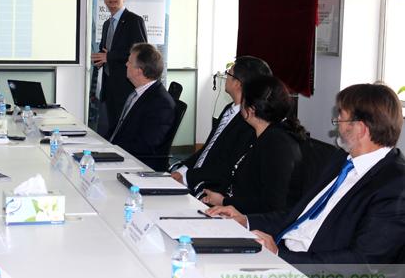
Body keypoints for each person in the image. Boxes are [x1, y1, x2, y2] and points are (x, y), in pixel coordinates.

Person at [207, 83, 405, 265]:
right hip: (283, 252)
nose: (337, 123)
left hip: (311, 274)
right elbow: (298, 214)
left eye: (341, 117)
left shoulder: (394, 185)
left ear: (360, 129)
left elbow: (361, 262)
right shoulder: (341, 160)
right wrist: (246, 220)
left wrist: (280, 256)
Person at [200, 75, 306, 213]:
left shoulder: (277, 145)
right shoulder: (259, 134)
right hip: (237, 209)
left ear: (250, 110)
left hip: (255, 221)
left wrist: (224, 201)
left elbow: (271, 205)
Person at [170, 56, 272, 195]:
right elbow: (208, 148)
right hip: (196, 177)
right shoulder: (229, 108)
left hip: (211, 189)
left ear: (238, 84)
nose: (225, 77)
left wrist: (187, 178)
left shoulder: (249, 122)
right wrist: (182, 170)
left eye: (228, 74)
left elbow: (227, 167)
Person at [91, 0, 147, 137]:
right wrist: (99, 60)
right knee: (111, 130)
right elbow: (105, 51)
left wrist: (109, 57)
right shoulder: (106, 24)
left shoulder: (134, 20)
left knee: (126, 131)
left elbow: (141, 52)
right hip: (109, 87)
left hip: (127, 86)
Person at [109, 43, 175, 171]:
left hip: (137, 164)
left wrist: (111, 150)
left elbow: (145, 145)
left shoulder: (161, 103)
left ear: (139, 70)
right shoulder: (137, 93)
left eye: (129, 62)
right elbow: (118, 128)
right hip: (120, 154)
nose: (126, 64)